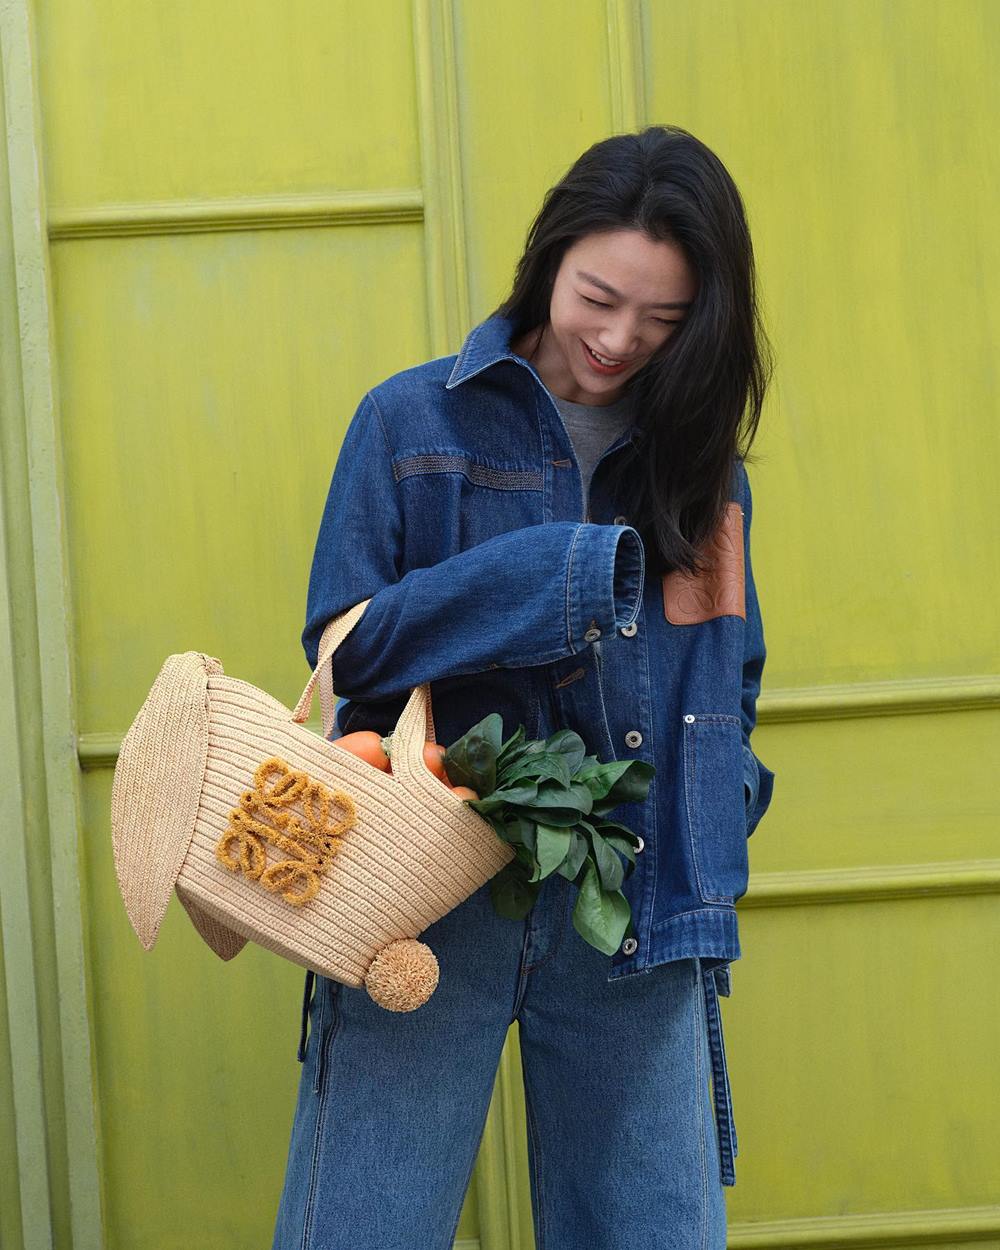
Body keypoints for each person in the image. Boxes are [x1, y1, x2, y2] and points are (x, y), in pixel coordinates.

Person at [271, 123, 776, 1250]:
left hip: (634, 904)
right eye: (599, 295)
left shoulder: (701, 467)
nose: (618, 339)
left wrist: (724, 792)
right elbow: (346, 651)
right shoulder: (410, 424)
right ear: (550, 255)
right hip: (422, 893)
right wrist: (552, 579)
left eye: (664, 318)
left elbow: (726, 673)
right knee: (361, 1224)